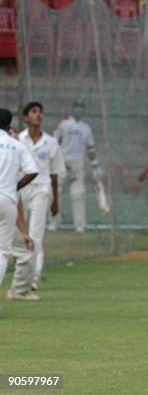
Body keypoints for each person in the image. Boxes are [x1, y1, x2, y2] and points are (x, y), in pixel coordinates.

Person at [18, 102, 65, 290]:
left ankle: (33, 278)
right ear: (25, 118)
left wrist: (56, 201)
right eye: (33, 112)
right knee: (20, 234)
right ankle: (21, 274)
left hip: (42, 190)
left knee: (35, 234)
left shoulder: (51, 142)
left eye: (40, 112)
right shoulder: (18, 140)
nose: (38, 115)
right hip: (21, 189)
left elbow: (55, 174)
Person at [0, 108, 39, 296]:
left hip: (8, 199)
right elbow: (32, 171)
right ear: (9, 125)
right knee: (1, 253)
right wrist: (14, 187)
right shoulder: (16, 145)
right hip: (7, 200)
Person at [52, 101, 102, 232]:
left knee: (78, 193)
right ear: (72, 109)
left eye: (81, 109)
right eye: (76, 108)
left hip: (78, 162)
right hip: (62, 161)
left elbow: (90, 147)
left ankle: (80, 225)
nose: (78, 111)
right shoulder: (63, 124)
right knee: (56, 191)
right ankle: (54, 222)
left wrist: (95, 164)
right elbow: (54, 142)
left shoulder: (86, 128)